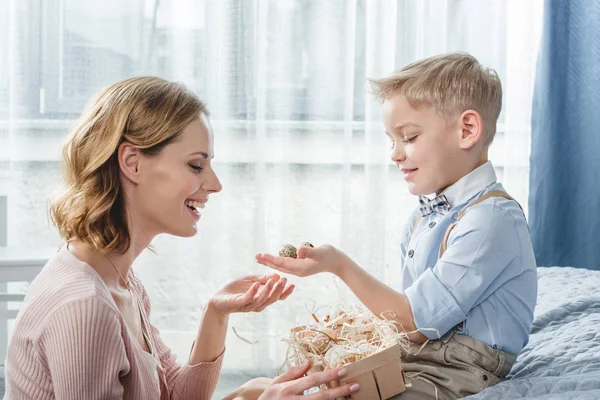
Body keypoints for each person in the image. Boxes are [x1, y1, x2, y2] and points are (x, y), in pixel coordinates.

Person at [4, 77, 360, 400]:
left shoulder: (119, 281)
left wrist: (215, 314)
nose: (215, 183)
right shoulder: (85, 306)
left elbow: (173, 394)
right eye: (195, 165)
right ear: (132, 162)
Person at [257, 52, 538, 399]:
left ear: (467, 130)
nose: (394, 154)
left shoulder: (491, 220)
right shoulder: (423, 218)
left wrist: (339, 266)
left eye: (409, 137)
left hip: (459, 371)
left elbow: (417, 324)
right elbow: (407, 327)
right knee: (282, 387)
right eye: (391, 140)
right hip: (419, 358)